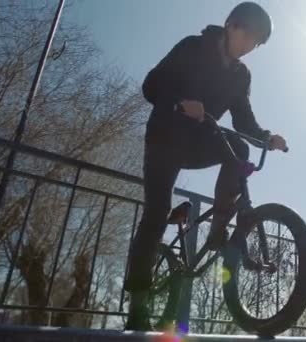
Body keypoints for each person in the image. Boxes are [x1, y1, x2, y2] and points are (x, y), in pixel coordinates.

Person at [123, 2, 288, 330]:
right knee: (156, 215)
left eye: (258, 43)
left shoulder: (241, 76)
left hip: (200, 143)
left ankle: (217, 232)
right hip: (164, 139)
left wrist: (267, 138)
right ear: (231, 25)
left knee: (239, 148)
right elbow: (151, 85)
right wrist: (180, 103)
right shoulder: (192, 47)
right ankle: (138, 303)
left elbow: (244, 122)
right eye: (250, 36)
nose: (251, 46)